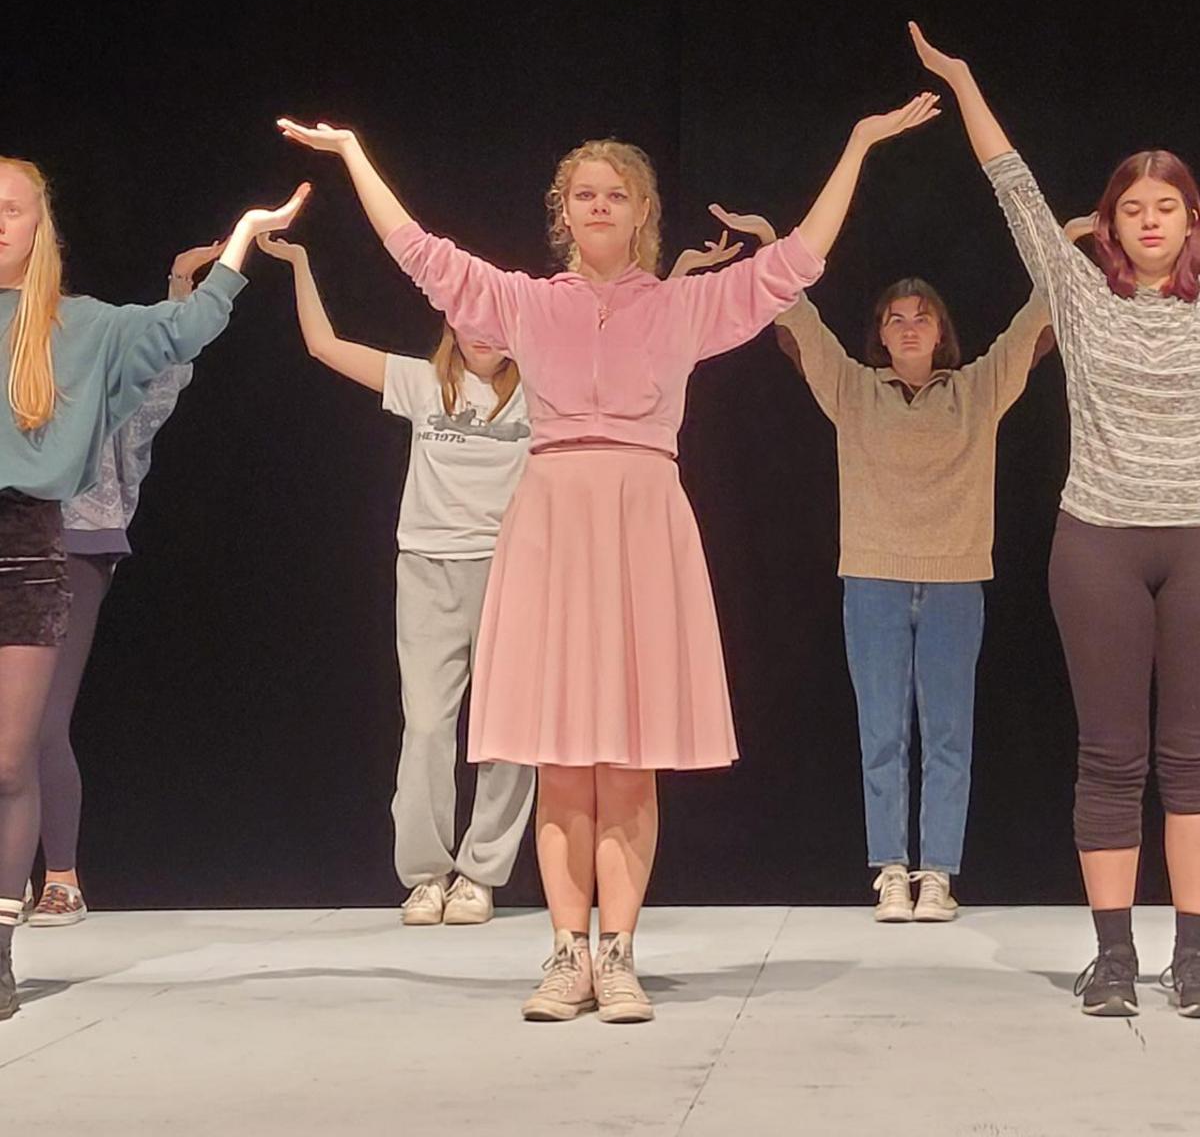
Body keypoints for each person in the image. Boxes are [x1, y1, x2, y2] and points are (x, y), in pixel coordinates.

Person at [278, 91, 939, 1022]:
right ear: (562, 214)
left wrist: (860, 144)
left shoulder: (681, 307)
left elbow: (795, 264)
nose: (598, 207)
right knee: (559, 756)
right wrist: (352, 154)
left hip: (641, 523)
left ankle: (618, 954)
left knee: (627, 757)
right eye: (583, 195)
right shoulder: (522, 305)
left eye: (616, 194)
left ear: (642, 214)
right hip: (551, 524)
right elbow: (419, 254)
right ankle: (562, 954)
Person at [912, 20, 1200, 1018]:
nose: (1151, 220)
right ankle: (1115, 957)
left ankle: (1193, 956)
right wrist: (965, 78)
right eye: (1135, 207)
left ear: (1192, 223)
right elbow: (1014, 188)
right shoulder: (1078, 295)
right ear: (1109, 225)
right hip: (1100, 544)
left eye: (1169, 207)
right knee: (1113, 754)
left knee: (1193, 756)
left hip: (1197, 545)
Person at [0, 155, 308, 1019]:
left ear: (38, 226)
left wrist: (242, 242)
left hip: (32, 541)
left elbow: (181, 336)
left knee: (11, 754)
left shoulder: (81, 326)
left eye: (11, 209)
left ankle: (3, 946)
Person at [705, 205, 1050, 923]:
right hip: (873, 578)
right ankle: (891, 869)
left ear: (942, 330)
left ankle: (939, 874)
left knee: (950, 733)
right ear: (881, 333)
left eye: (922, 317)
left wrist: (1063, 249)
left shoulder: (976, 392)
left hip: (957, 579)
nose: (909, 327)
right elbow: (799, 323)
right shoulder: (856, 391)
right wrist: (774, 251)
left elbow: (1032, 328)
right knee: (882, 732)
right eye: (895, 318)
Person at [256, 232, 536, 926]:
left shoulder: (544, 394)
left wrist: (672, 276)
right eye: (470, 317)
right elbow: (325, 346)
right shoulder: (421, 381)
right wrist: (300, 262)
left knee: (508, 734)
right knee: (428, 727)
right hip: (428, 568)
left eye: (497, 319)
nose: (482, 332)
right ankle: (426, 874)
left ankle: (481, 875)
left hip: (512, 574)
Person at [27, 240, 225, 927]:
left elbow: (162, 371)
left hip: (75, 538)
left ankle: (61, 877)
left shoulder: (89, 330)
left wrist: (180, 284)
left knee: (41, 719)